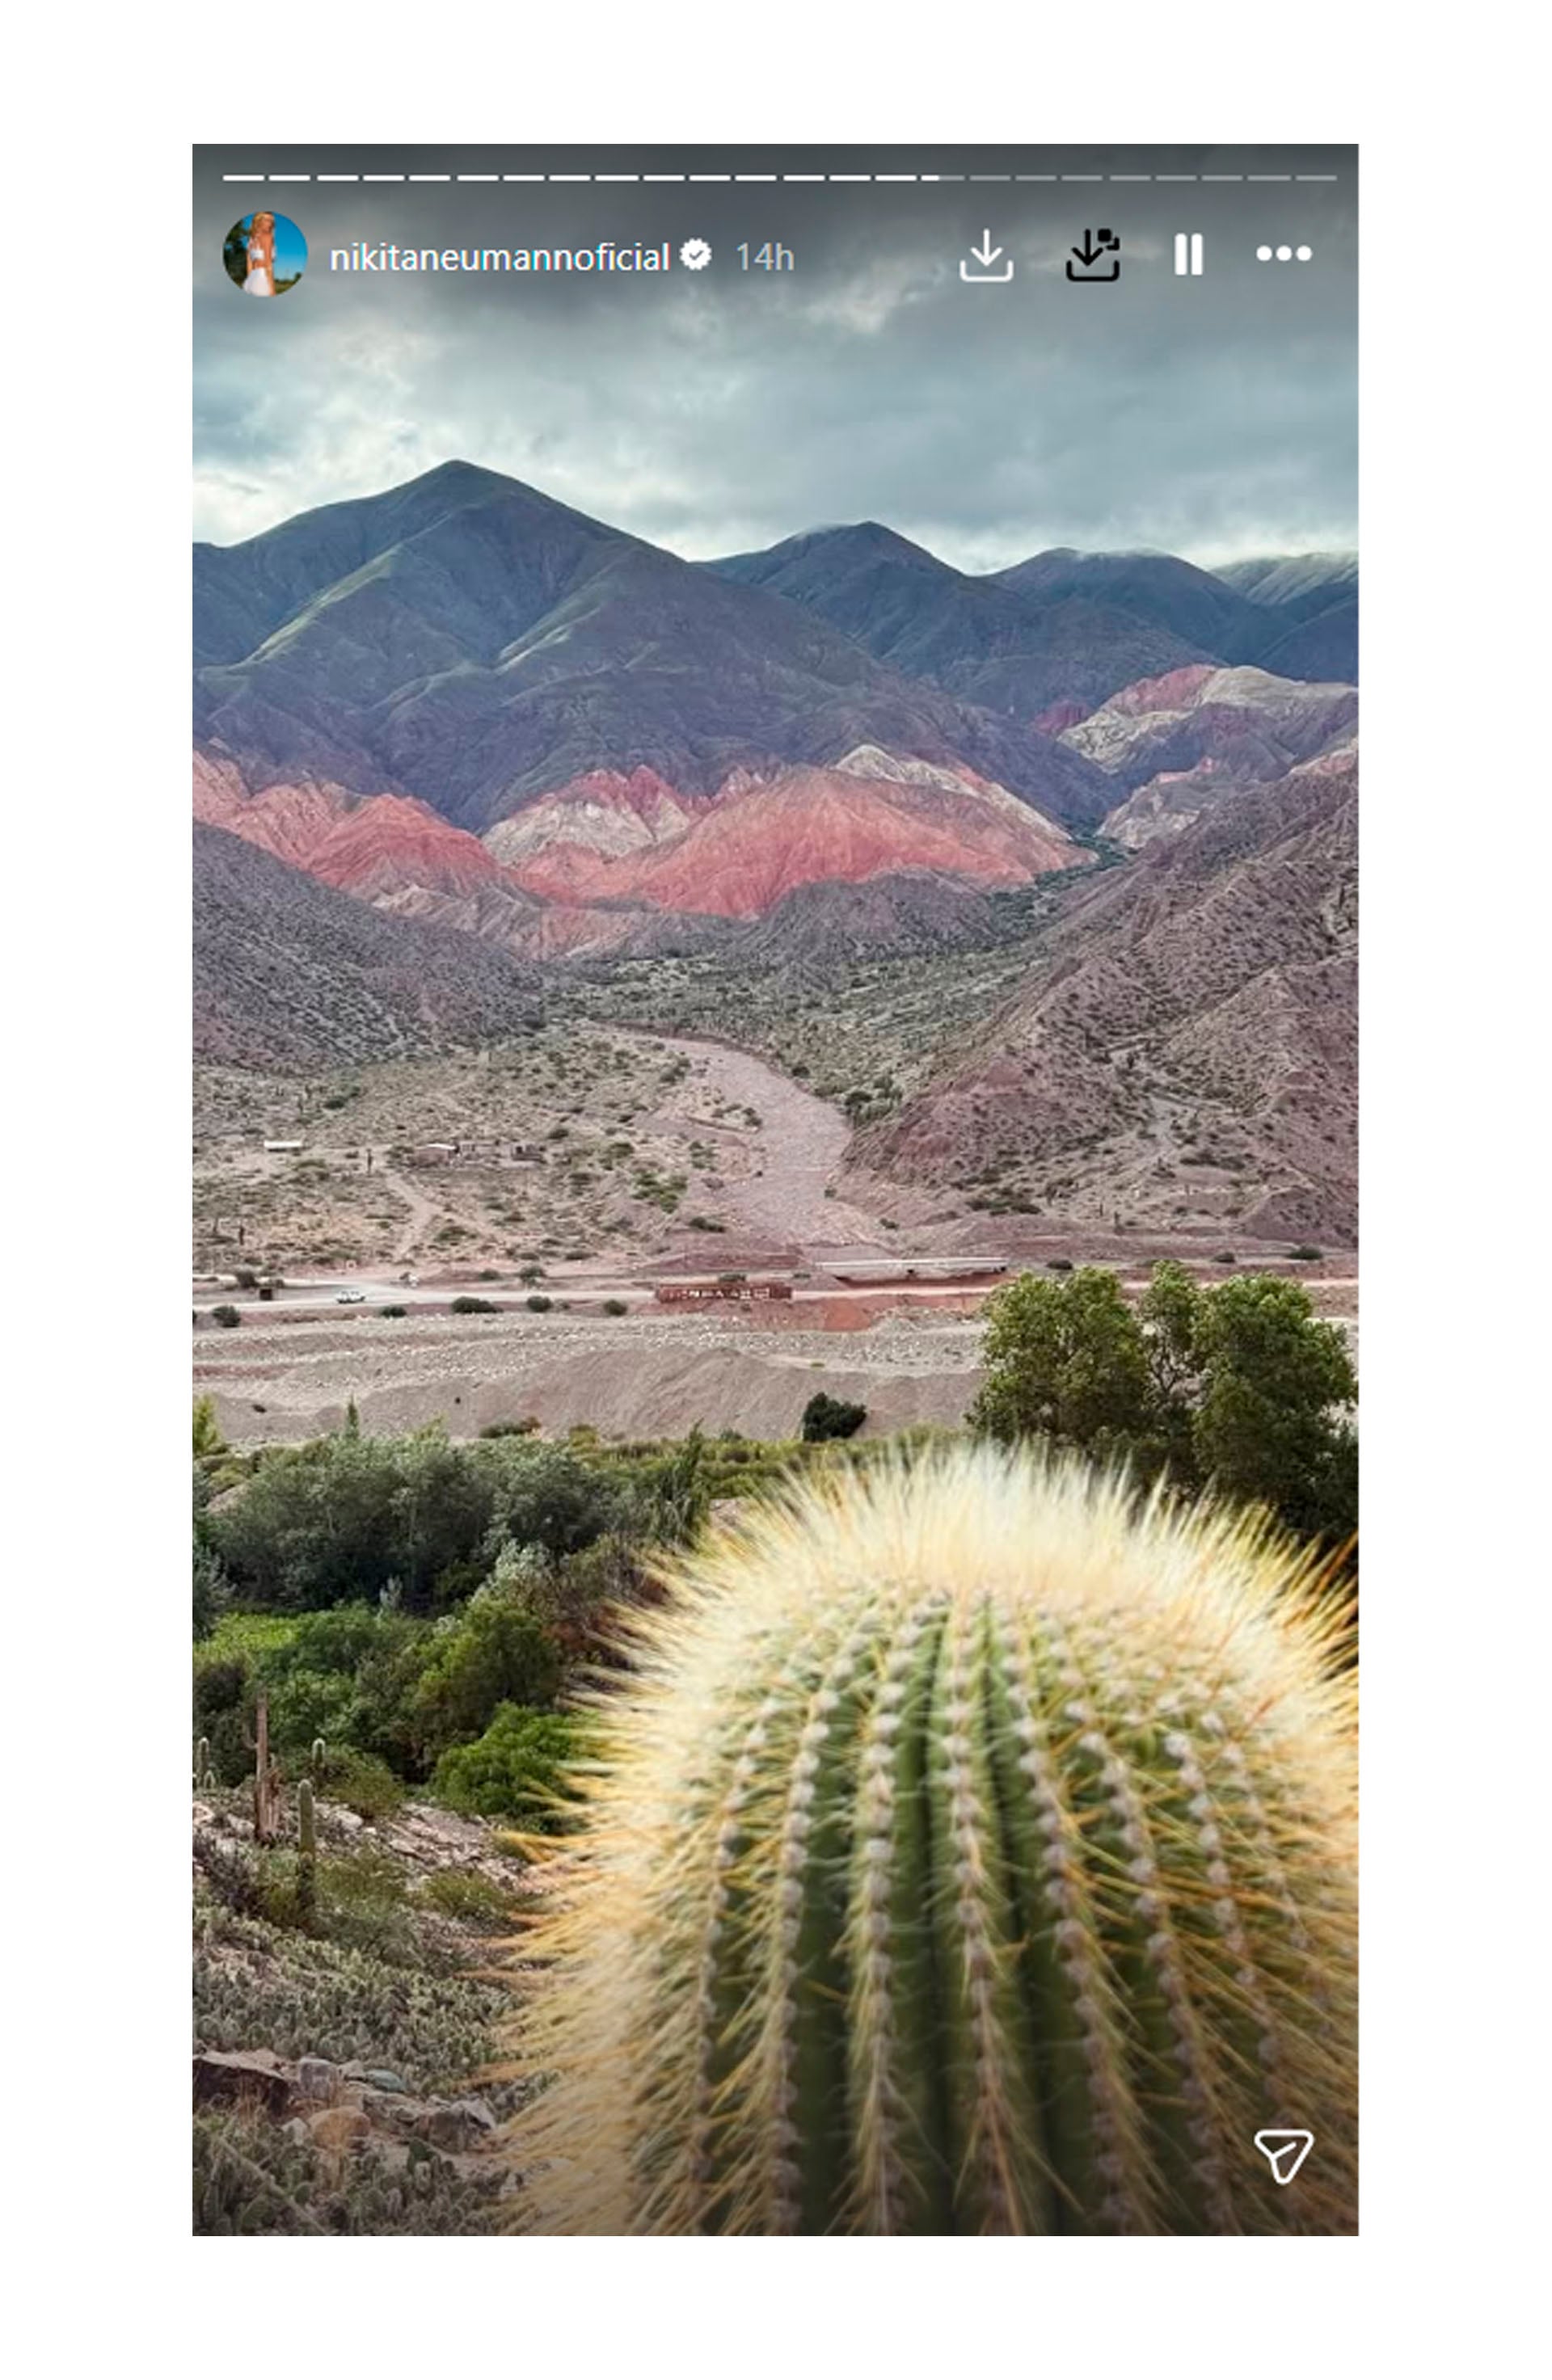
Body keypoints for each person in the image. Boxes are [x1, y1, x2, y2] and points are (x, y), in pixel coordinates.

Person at [243, 212, 276, 297]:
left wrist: (250, 281)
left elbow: (249, 264)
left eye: (272, 221)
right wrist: (272, 289)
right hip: (263, 278)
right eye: (267, 220)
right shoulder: (267, 236)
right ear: (258, 221)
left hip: (250, 280)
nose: (270, 223)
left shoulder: (251, 240)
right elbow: (268, 264)